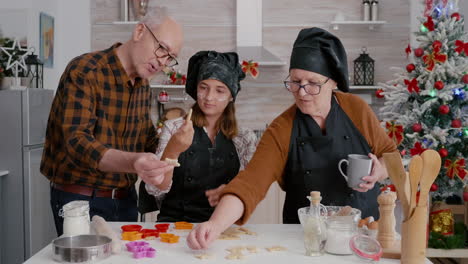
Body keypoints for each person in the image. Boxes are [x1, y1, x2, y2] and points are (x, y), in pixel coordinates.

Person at [186, 27, 397, 249]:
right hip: (306, 239)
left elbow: (390, 155)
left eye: (313, 83)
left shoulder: (357, 109)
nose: (302, 92)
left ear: (333, 82)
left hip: (363, 232)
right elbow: (251, 183)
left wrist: (378, 171)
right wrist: (215, 224)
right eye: (295, 82)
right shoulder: (282, 128)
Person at [40, 7, 183, 236]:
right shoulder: (85, 71)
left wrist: (175, 143)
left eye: (169, 57)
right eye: (161, 48)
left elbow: (146, 138)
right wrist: (134, 162)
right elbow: (76, 142)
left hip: (126, 202)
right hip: (81, 200)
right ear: (139, 31)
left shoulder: (142, 85)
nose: (162, 62)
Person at [143, 50, 257, 222]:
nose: (209, 97)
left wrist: (232, 192)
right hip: (175, 225)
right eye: (203, 88)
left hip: (222, 225)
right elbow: (155, 188)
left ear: (231, 97)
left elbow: (250, 189)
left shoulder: (244, 138)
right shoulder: (174, 127)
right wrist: (173, 150)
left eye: (220, 91)